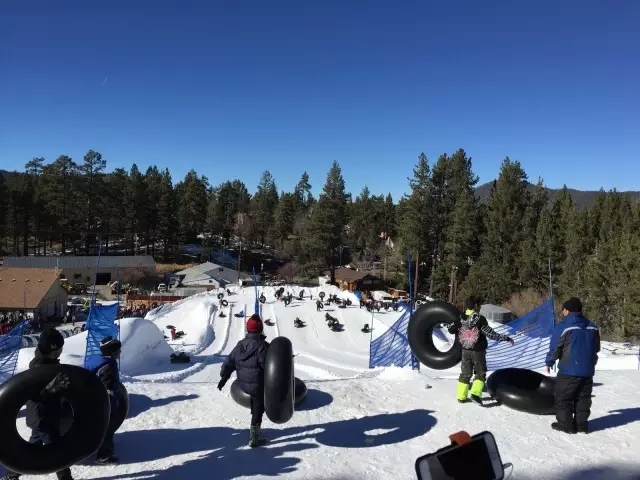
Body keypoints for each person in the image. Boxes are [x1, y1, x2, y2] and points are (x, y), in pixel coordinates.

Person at [2, 329, 74, 480]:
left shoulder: (48, 363)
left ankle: (12, 474)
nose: (62, 351)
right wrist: (51, 389)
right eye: (60, 348)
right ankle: (65, 477)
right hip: (42, 417)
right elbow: (33, 395)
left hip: (45, 416)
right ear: (54, 349)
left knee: (32, 449)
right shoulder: (39, 368)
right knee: (57, 451)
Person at [545, 297, 600, 434]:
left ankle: (566, 425)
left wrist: (549, 362)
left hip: (569, 370)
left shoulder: (564, 327)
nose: (562, 311)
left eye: (563, 309)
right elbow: (596, 348)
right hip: (587, 370)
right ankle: (582, 426)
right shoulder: (593, 326)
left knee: (563, 397)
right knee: (583, 398)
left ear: (567, 310)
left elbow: (555, 347)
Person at [449, 298, 515, 405]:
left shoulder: (460, 318)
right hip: (478, 351)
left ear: (466, 306)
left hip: (465, 350)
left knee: (465, 373)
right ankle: (475, 394)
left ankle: (461, 396)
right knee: (480, 373)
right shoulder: (480, 319)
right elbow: (490, 334)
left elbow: (450, 329)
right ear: (475, 306)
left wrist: (459, 328)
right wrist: (506, 338)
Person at [217, 314, 270, 448]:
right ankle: (254, 438)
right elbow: (268, 368)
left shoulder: (240, 345)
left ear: (248, 329)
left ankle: (254, 426)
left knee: (254, 394)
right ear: (261, 329)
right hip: (257, 386)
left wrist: (224, 377)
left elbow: (229, 361)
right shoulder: (263, 346)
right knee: (259, 407)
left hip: (243, 384)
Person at [85, 336, 122, 464]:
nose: (120, 352)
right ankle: (104, 455)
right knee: (108, 428)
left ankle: (91, 447)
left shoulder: (94, 359)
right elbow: (108, 389)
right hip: (103, 403)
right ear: (112, 352)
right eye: (118, 350)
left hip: (90, 400)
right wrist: (111, 407)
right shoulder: (108, 366)